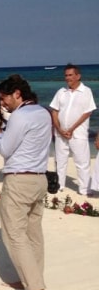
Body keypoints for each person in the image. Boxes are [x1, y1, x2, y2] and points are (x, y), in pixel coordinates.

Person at [0, 75, 52, 290]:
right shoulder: (42, 112)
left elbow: (5, 149)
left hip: (19, 179)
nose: (3, 104)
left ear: (17, 94)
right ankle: (31, 279)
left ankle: (35, 288)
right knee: (33, 233)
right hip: (39, 178)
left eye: (5, 99)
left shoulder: (20, 117)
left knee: (14, 235)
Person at [49, 63, 96, 195]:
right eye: (66, 75)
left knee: (82, 161)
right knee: (60, 161)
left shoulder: (86, 91)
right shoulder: (61, 92)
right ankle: (59, 185)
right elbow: (54, 112)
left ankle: (84, 189)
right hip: (60, 134)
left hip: (78, 133)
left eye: (70, 75)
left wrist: (71, 128)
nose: (67, 78)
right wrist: (59, 129)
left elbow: (87, 113)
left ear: (78, 76)